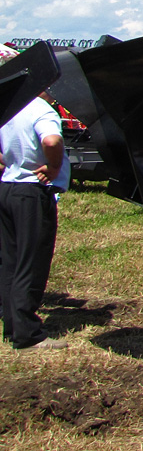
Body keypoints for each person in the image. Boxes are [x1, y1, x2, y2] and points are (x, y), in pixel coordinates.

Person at [0, 93, 70, 350]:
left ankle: (13, 327)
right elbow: (52, 141)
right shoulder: (41, 109)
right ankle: (27, 334)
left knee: (10, 262)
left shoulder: (10, 107)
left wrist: (10, 162)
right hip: (31, 193)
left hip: (7, 188)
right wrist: (53, 167)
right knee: (31, 262)